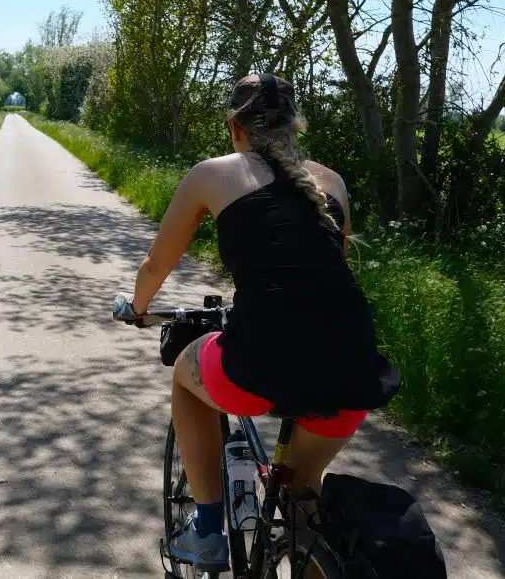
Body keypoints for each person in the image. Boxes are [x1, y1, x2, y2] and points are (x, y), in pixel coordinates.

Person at [115, 74, 400, 571]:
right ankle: (307, 541)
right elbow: (326, 266)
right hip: (353, 366)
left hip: (260, 363)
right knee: (299, 501)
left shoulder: (211, 174)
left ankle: (206, 531)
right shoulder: (330, 182)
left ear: (234, 127)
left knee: (186, 372)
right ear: (295, 126)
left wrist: (137, 307)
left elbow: (156, 267)